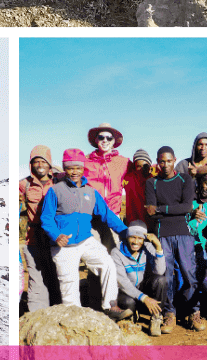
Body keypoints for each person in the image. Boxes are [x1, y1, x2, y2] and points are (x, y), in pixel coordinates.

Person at [39, 148, 128, 316]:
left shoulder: (91, 192)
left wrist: (125, 232)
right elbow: (46, 219)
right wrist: (56, 235)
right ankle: (74, 321)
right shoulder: (55, 191)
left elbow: (107, 214)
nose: (74, 172)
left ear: (83, 169)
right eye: (71, 168)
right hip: (64, 245)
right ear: (65, 169)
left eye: (78, 168)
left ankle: (110, 306)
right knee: (70, 285)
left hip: (86, 240)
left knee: (108, 264)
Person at [145, 147, 204, 331]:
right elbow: (150, 212)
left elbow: (187, 207)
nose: (165, 165)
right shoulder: (152, 183)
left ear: (174, 160)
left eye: (169, 161)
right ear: (157, 162)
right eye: (162, 161)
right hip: (162, 234)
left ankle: (193, 311)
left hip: (184, 233)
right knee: (166, 275)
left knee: (189, 273)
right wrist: (170, 209)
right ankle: (170, 313)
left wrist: (161, 209)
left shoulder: (184, 179)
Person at [19, 145, 61, 310]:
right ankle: (36, 318)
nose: (40, 165)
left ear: (49, 164)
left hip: (55, 239)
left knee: (57, 277)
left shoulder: (59, 182)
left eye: (43, 161)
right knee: (37, 281)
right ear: (31, 165)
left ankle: (59, 313)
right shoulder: (24, 185)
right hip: (33, 239)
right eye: (36, 161)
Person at [110, 221, 167, 335]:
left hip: (142, 289)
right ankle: (131, 316)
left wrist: (158, 247)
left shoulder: (148, 247)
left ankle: (156, 317)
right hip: (126, 292)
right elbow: (123, 282)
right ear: (127, 237)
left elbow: (160, 271)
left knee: (161, 280)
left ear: (144, 239)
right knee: (128, 302)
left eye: (140, 238)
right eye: (133, 237)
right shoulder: (116, 252)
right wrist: (144, 298)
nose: (136, 242)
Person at [84, 122, 128, 249]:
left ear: (114, 141)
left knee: (114, 254)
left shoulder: (123, 162)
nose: (105, 140)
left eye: (109, 138)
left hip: (113, 215)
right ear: (96, 139)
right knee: (94, 257)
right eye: (101, 137)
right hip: (91, 217)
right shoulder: (86, 162)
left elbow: (139, 172)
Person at [123, 149, 153, 224]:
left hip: (151, 223)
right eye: (138, 166)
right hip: (133, 222)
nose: (142, 169)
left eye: (145, 166)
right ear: (134, 167)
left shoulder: (154, 179)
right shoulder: (128, 178)